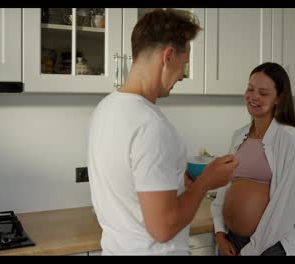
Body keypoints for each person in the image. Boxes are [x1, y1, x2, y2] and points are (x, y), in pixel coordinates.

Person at [87, 9, 239, 255]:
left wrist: (178, 181)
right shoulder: (151, 126)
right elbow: (163, 228)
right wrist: (205, 182)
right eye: (184, 64)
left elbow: (131, 187)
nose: (182, 75)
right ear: (168, 56)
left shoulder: (105, 109)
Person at [211, 62, 295, 256]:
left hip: (270, 247)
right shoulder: (239, 136)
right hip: (232, 242)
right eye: (250, 89)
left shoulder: (289, 138)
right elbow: (225, 189)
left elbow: (285, 207)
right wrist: (220, 234)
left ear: (279, 99)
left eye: (263, 93)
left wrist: (251, 251)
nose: (254, 96)